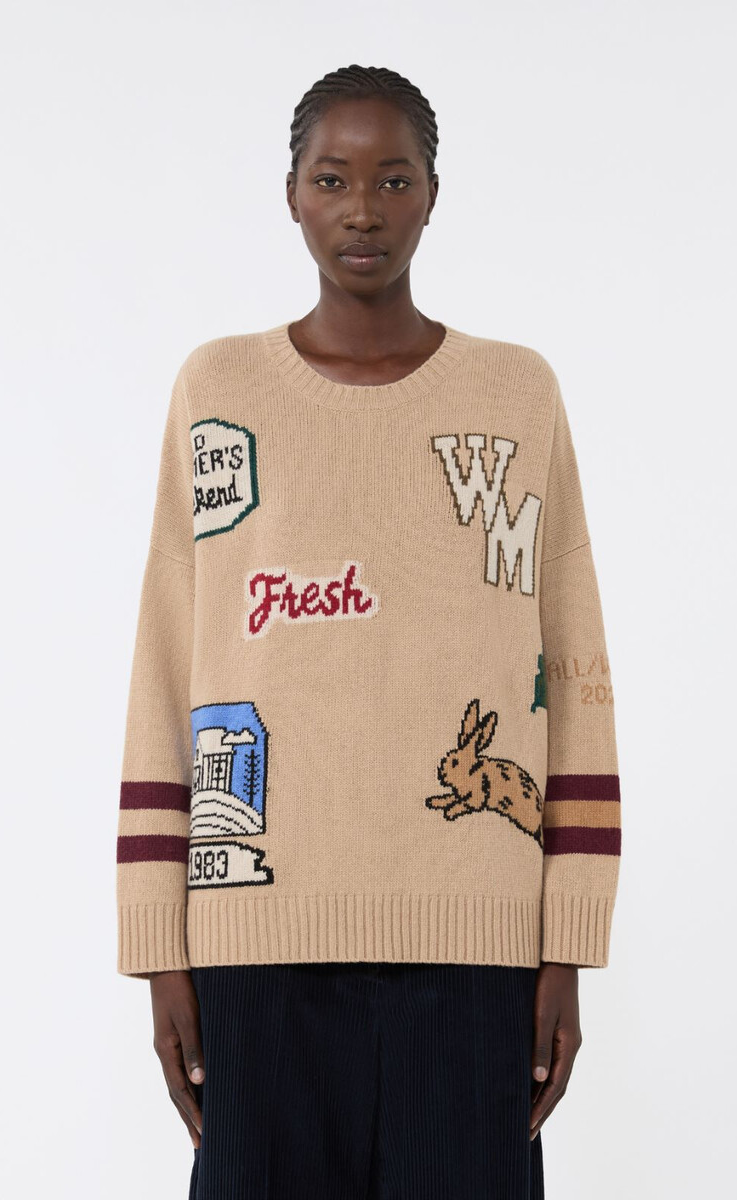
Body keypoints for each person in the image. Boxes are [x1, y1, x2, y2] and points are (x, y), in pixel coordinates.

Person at [115, 63, 622, 1200]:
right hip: (255, 945)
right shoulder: (217, 390)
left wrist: (569, 940)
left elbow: (573, 661)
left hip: (479, 949)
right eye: (333, 178)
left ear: (434, 196)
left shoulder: (517, 394)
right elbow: (166, 658)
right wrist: (157, 944)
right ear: (291, 194)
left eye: (394, 179)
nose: (362, 209)